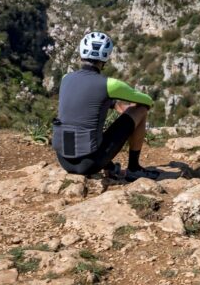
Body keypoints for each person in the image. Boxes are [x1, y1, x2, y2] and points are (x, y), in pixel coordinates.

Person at [52, 31, 159, 180]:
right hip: (90, 163)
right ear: (106, 57)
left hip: (64, 160)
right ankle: (134, 168)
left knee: (85, 123)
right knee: (140, 109)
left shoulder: (66, 78)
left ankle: (110, 167)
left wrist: (113, 103)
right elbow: (147, 101)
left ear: (81, 53)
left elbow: (87, 99)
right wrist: (125, 107)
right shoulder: (110, 84)